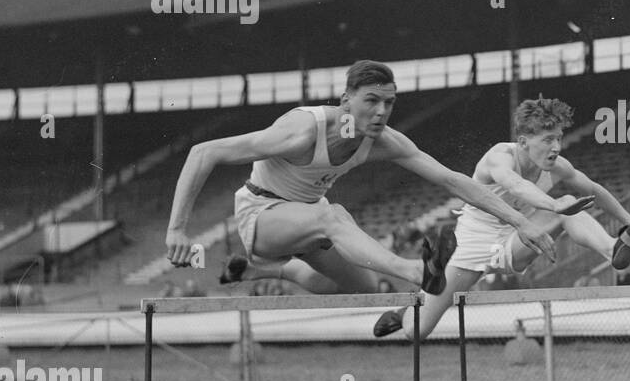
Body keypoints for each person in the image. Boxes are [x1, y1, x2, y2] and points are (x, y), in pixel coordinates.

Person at [165, 60, 557, 296]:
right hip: (261, 212)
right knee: (335, 216)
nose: (381, 111)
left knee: (362, 287)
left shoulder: (384, 140)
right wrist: (177, 230)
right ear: (345, 101)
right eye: (371, 100)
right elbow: (205, 152)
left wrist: (521, 222)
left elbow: (454, 181)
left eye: (389, 102)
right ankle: (416, 272)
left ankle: (263, 270)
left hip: (304, 218)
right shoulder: (301, 131)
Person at [373, 97, 630, 339]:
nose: (556, 147)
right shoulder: (499, 157)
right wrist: (552, 207)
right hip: (473, 245)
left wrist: (629, 221)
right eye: (547, 140)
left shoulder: (557, 165)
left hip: (521, 236)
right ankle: (405, 313)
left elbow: (594, 190)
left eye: (558, 138)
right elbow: (517, 186)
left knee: (569, 201)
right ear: (524, 141)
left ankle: (612, 249)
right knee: (418, 332)